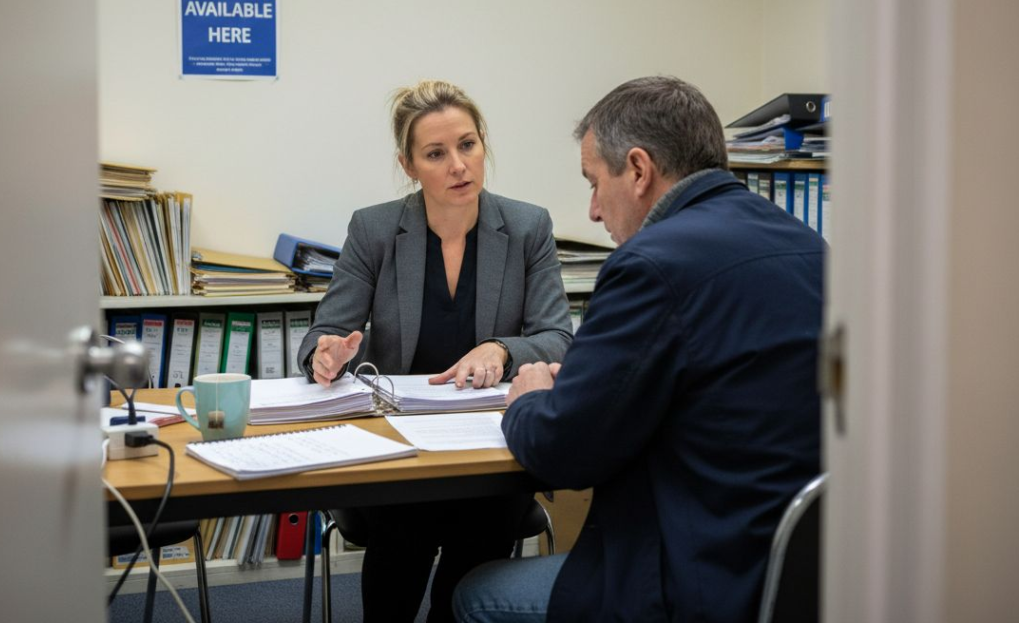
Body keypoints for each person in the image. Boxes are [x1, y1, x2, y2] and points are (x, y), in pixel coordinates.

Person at [452, 76, 824, 622]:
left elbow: (562, 453)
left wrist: (528, 398)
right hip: (808, 576)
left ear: (640, 170)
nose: (596, 211)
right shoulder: (810, 246)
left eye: (594, 183)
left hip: (696, 580)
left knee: (477, 594)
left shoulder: (651, 265)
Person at [298, 79, 573, 623]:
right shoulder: (374, 229)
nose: (458, 165)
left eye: (468, 145)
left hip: (487, 451)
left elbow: (558, 336)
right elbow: (322, 333)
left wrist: (500, 349)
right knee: (399, 554)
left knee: (470, 578)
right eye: (436, 153)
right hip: (401, 454)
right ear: (408, 164)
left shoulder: (526, 227)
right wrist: (324, 355)